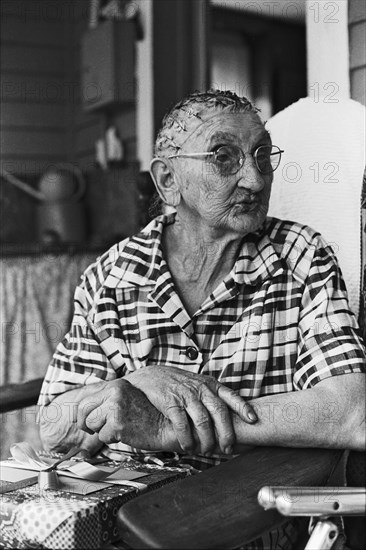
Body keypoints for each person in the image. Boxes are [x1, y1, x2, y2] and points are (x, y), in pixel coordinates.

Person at [38, 90, 365, 549]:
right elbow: (53, 424)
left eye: (263, 156)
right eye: (224, 157)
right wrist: (139, 384)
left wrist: (167, 425)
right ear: (168, 180)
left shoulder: (301, 258)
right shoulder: (111, 275)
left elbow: (351, 412)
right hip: (114, 519)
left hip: (245, 519)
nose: (254, 179)